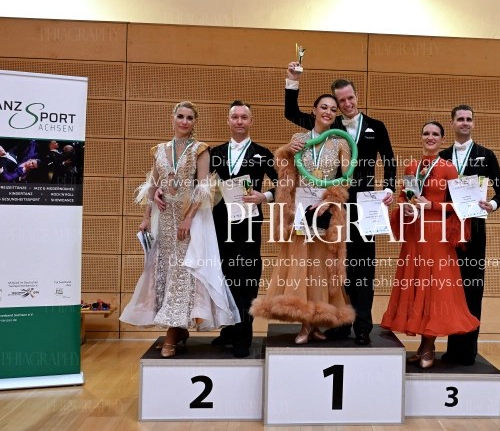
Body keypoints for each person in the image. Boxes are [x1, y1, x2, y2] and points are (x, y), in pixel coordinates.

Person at [284, 62, 396, 345]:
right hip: (333, 203)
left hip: (366, 203)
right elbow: (291, 113)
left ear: (356, 96)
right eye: (340, 101)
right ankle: (338, 323)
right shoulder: (329, 126)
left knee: (363, 265)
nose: (346, 104)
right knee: (334, 262)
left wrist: (389, 188)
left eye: (350, 98)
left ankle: (362, 326)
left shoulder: (376, 127)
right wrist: (292, 81)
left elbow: (390, 161)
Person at [120, 101, 240, 358]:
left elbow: (205, 188)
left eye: (189, 118)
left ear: (195, 122)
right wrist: (146, 216)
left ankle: (173, 334)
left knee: (183, 272)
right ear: (172, 118)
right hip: (164, 221)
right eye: (181, 116)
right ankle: (178, 329)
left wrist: (188, 219)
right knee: (165, 271)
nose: (184, 121)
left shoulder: (200, 149)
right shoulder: (160, 150)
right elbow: (152, 185)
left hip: (188, 221)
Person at [250, 94, 355, 344]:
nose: (328, 112)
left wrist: (329, 200)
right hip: (301, 212)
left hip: (327, 212)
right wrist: (286, 152)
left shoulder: (341, 142)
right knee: (301, 264)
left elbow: (347, 178)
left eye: (333, 109)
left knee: (321, 266)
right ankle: (306, 322)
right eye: (323, 107)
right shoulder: (299, 138)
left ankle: (313, 322)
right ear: (314, 110)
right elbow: (286, 174)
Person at [381, 121, 479, 368]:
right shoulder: (411, 166)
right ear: (421, 137)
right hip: (415, 234)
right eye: (426, 133)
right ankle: (423, 345)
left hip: (437, 235)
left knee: (434, 289)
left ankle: (429, 345)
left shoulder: (448, 168)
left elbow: (461, 206)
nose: (430, 137)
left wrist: (432, 205)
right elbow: (404, 196)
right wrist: (404, 206)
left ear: (442, 139)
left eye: (435, 134)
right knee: (418, 286)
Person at [439, 105, 500, 365]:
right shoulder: (442, 156)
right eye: (460, 119)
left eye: (469, 119)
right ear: (452, 123)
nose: (465, 123)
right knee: (450, 287)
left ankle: (468, 351)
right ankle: (452, 348)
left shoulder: (486, 155)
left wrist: (492, 204)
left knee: (472, 286)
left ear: (473, 123)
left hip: (475, 228)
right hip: (447, 228)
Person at [209, 100, 277, 358]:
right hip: (219, 224)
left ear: (251, 121)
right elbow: (198, 184)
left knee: (247, 277)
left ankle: (244, 335)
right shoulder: (214, 153)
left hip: (249, 225)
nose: (239, 121)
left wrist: (264, 197)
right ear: (228, 121)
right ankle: (229, 329)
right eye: (235, 117)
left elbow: (284, 185)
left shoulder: (263, 153)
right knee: (224, 276)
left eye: (244, 117)